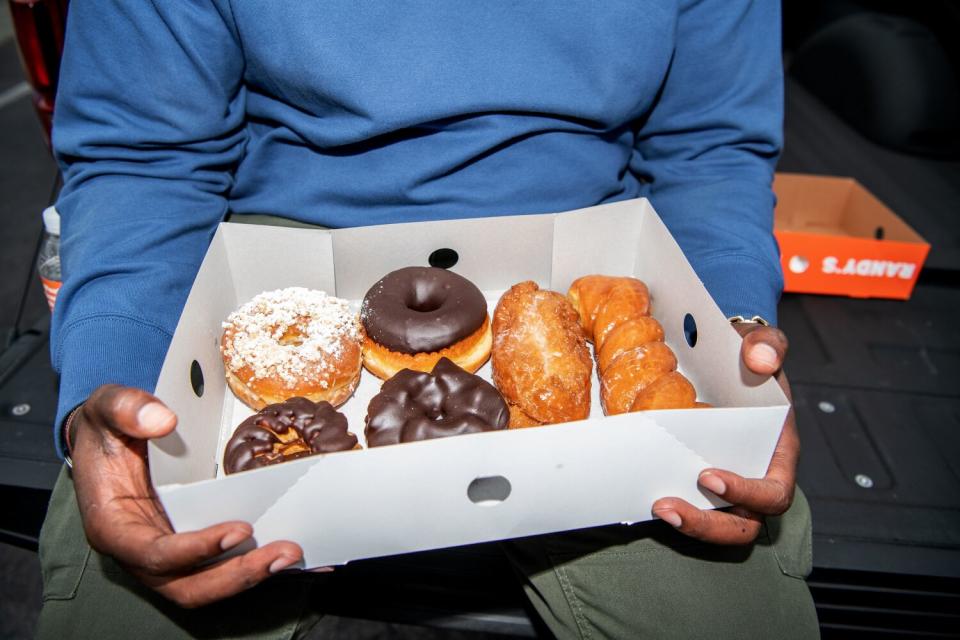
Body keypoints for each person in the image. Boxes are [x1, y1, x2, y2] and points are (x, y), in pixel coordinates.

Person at [36, 1, 819, 638]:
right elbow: (142, 155)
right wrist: (117, 368)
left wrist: (727, 328)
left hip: (585, 246)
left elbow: (710, 148)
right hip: (284, 257)